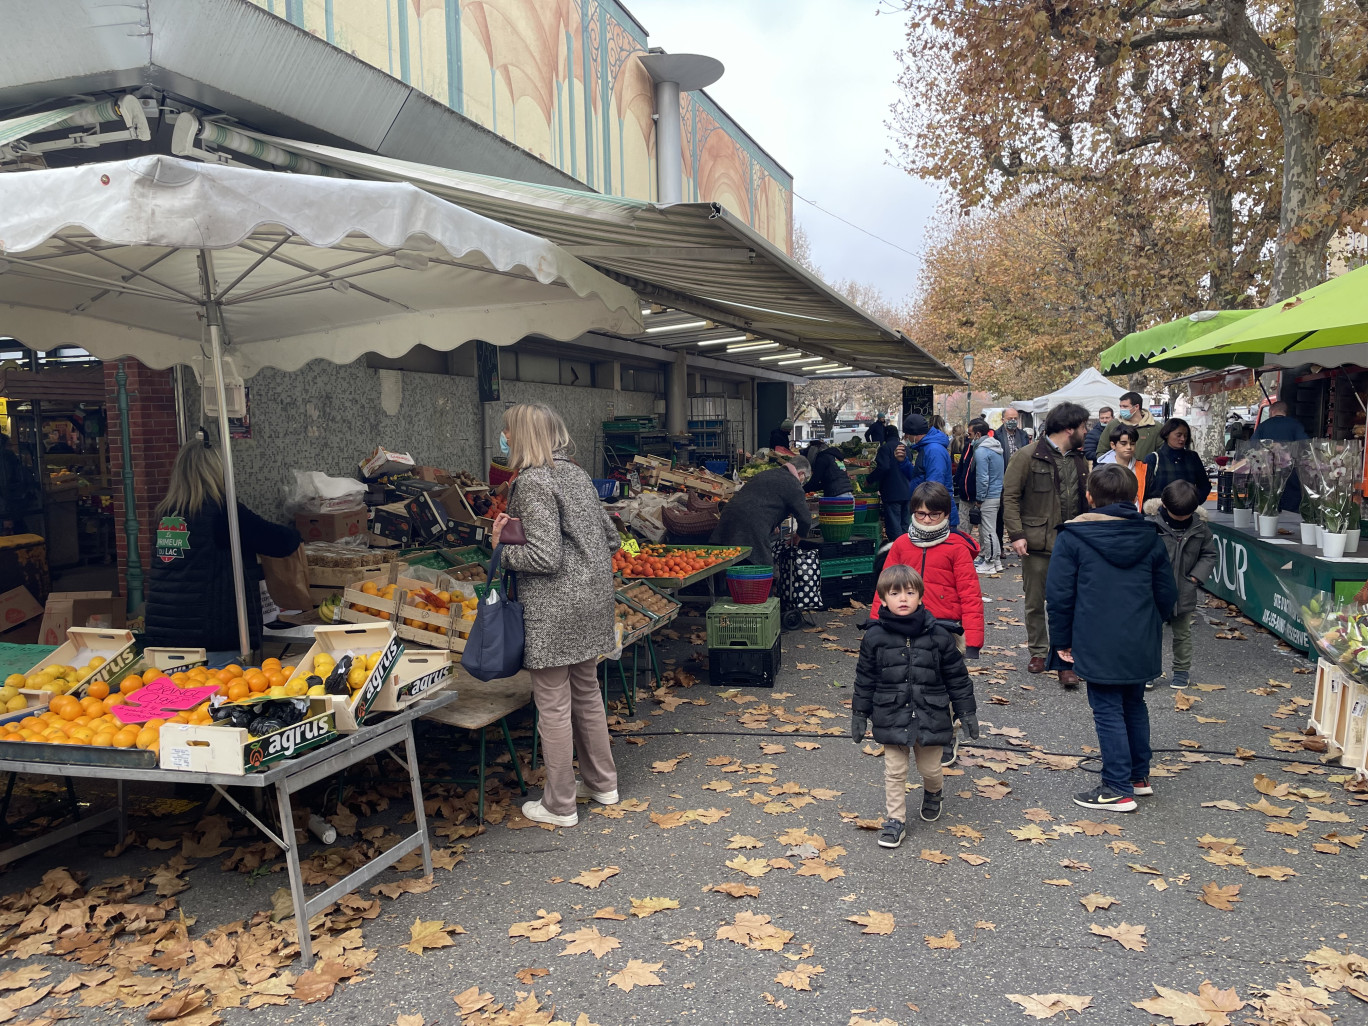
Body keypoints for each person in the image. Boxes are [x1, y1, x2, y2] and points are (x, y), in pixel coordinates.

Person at [491, 403, 621, 828]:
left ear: (521, 436)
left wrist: (501, 547)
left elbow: (543, 557)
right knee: (586, 692)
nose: (503, 437)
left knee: (553, 706)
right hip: (592, 603)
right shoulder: (577, 474)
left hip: (553, 610)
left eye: (507, 430)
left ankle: (560, 803)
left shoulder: (531, 483)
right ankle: (603, 783)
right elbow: (612, 538)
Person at [1045, 464, 1177, 812]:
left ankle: (1117, 786)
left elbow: (1059, 596)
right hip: (1139, 635)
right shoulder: (1150, 537)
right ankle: (1137, 775)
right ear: (1135, 497)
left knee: (1106, 709)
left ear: (1089, 497)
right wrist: (1151, 624)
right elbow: (1166, 593)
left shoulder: (1073, 537)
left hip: (1095, 633)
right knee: (1134, 703)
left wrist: (1061, 640)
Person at [144, 431, 301, 660]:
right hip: (212, 638)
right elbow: (280, 542)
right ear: (218, 471)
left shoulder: (168, 513)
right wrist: (299, 527)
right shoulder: (222, 512)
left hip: (166, 637)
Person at [852, 564, 978, 849]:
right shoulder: (874, 637)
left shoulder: (939, 636)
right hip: (891, 712)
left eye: (910, 592)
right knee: (894, 771)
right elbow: (865, 678)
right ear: (883, 599)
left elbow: (957, 678)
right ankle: (895, 820)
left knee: (930, 769)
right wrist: (859, 713)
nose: (903, 599)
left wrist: (966, 712)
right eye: (895, 593)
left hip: (931, 713)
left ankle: (934, 792)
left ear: (921, 596)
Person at [870, 481, 982, 767]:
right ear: (913, 513)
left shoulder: (956, 547)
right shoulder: (902, 544)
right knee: (912, 684)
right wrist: (875, 623)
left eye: (934, 514)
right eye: (921, 514)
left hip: (946, 628)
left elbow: (970, 593)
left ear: (946, 514)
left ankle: (946, 736)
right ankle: (915, 732)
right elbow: (884, 586)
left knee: (944, 687)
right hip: (905, 626)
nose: (928, 520)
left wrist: (974, 639)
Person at [1002, 401, 1091, 687]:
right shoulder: (1027, 456)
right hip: (1037, 543)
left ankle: (1065, 659)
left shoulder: (1080, 459)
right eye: (1083, 426)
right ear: (1069, 428)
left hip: (1073, 542)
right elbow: (1011, 497)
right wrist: (1016, 534)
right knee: (1034, 601)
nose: (1087, 431)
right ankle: (1038, 652)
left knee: (1068, 603)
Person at [1145, 480, 1217, 692]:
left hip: (1184, 589)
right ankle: (1148, 670)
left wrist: (1195, 578)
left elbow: (1209, 554)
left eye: (1185, 517)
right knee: (1150, 633)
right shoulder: (1150, 525)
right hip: (1154, 589)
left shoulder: (1200, 529)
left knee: (1182, 633)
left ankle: (1181, 671)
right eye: (1177, 517)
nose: (1181, 521)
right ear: (1164, 506)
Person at [711, 457, 812, 566]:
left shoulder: (767, 473)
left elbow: (761, 499)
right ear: (801, 473)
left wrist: (773, 521)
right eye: (805, 479)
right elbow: (805, 519)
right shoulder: (793, 483)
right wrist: (800, 535)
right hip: (751, 525)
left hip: (727, 516)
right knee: (762, 567)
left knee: (726, 562)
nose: (803, 482)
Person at [1249, 400, 1310, 512]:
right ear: (1285, 412)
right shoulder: (1295, 425)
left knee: (1268, 499)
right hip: (1290, 471)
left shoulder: (1263, 426)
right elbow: (1305, 444)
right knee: (1291, 500)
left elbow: (1253, 446)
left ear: (1272, 411)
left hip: (1267, 470)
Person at [903, 414, 958, 529]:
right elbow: (918, 476)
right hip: (930, 512)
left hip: (934, 514)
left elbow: (934, 486)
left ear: (914, 434)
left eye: (907, 435)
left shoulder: (933, 450)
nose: (905, 438)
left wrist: (928, 516)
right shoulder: (927, 448)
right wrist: (903, 462)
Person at [1142, 418, 1208, 504]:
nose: (1182, 439)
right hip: (1158, 512)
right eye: (1178, 435)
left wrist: (1194, 502)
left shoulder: (1192, 457)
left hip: (1187, 511)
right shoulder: (1153, 459)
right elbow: (1143, 489)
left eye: (1185, 436)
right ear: (1167, 434)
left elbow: (1204, 485)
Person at [970, 420, 1004, 574]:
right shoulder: (996, 448)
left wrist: (979, 498)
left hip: (988, 495)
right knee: (991, 528)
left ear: (977, 434)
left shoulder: (981, 451)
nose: (970, 438)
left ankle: (990, 562)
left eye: (971, 434)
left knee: (988, 530)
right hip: (996, 492)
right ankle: (995, 561)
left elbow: (982, 477)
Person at [872, 424, 914, 541]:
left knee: (894, 524)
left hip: (891, 492)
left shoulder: (885, 449)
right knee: (905, 524)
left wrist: (870, 480)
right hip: (907, 491)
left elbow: (882, 467)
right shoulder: (905, 448)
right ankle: (907, 548)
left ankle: (898, 549)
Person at [1095, 423, 1147, 503]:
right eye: (1123, 443)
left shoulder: (1143, 467)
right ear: (1113, 445)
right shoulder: (1101, 470)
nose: (1129, 447)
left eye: (1132, 444)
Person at [0, 433, 39, 534]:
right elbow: (5, 485)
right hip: (11, 508)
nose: (12, 448)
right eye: (9, 445)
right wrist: (6, 516)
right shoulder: (6, 457)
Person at [1115, 392, 1161, 461]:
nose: (1122, 409)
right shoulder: (1114, 424)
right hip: (1119, 470)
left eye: (1125, 406)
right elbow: (1102, 450)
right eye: (1120, 406)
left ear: (1136, 407)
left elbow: (1161, 453)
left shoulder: (1156, 427)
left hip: (1145, 470)